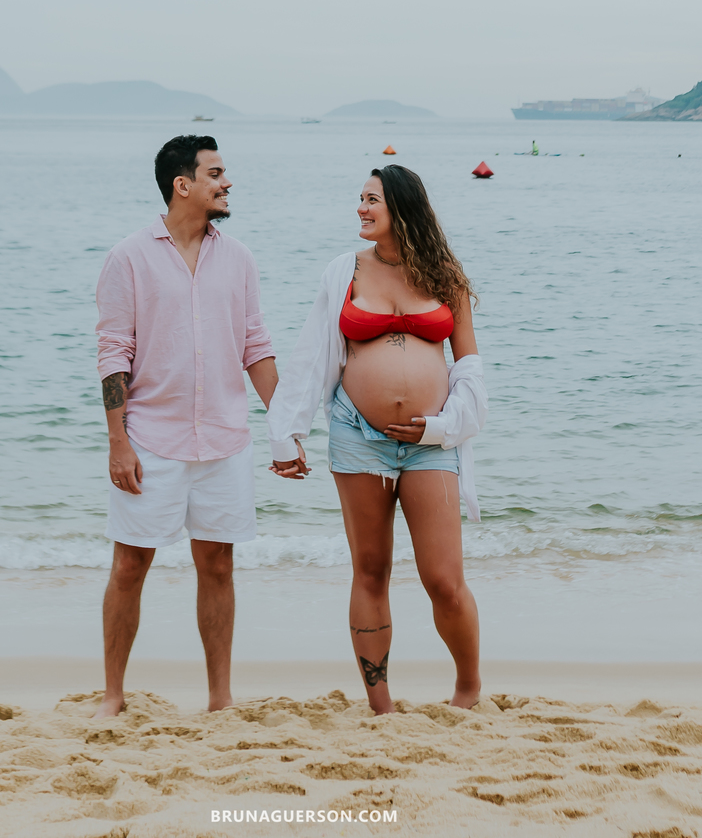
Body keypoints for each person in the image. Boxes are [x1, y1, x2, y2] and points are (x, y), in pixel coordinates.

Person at [267, 164, 486, 713]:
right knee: (370, 568)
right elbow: (313, 355)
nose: (361, 209)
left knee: (443, 579)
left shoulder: (445, 277)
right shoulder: (345, 271)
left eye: (372, 201)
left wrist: (440, 426)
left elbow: (470, 372)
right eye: (359, 199)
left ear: (403, 208)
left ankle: (468, 688)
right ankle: (380, 705)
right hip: (356, 434)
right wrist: (286, 433)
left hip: (432, 441)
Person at [93, 135, 278, 715]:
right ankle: (113, 695)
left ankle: (220, 698)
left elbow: (255, 346)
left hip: (224, 440)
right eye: (216, 174)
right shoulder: (128, 257)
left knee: (218, 564)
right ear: (183, 184)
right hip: (151, 440)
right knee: (130, 564)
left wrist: (286, 424)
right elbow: (113, 354)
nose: (227, 184)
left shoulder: (239, 257)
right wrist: (118, 443)